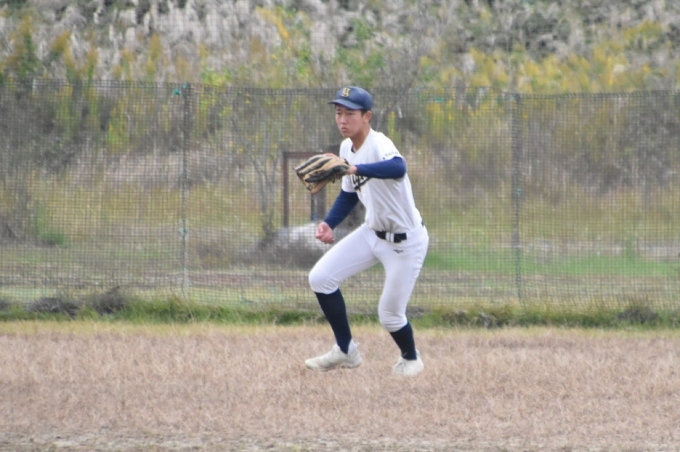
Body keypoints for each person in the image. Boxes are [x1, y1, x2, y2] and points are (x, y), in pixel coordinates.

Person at [305, 86, 429, 377]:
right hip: (372, 232)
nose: (342, 119)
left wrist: (355, 169)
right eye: (339, 113)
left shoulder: (379, 143)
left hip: (405, 243)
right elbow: (349, 194)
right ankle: (346, 350)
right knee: (320, 278)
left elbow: (398, 167)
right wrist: (329, 223)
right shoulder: (346, 149)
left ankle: (411, 358)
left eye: (350, 113)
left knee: (390, 315)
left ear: (367, 116)